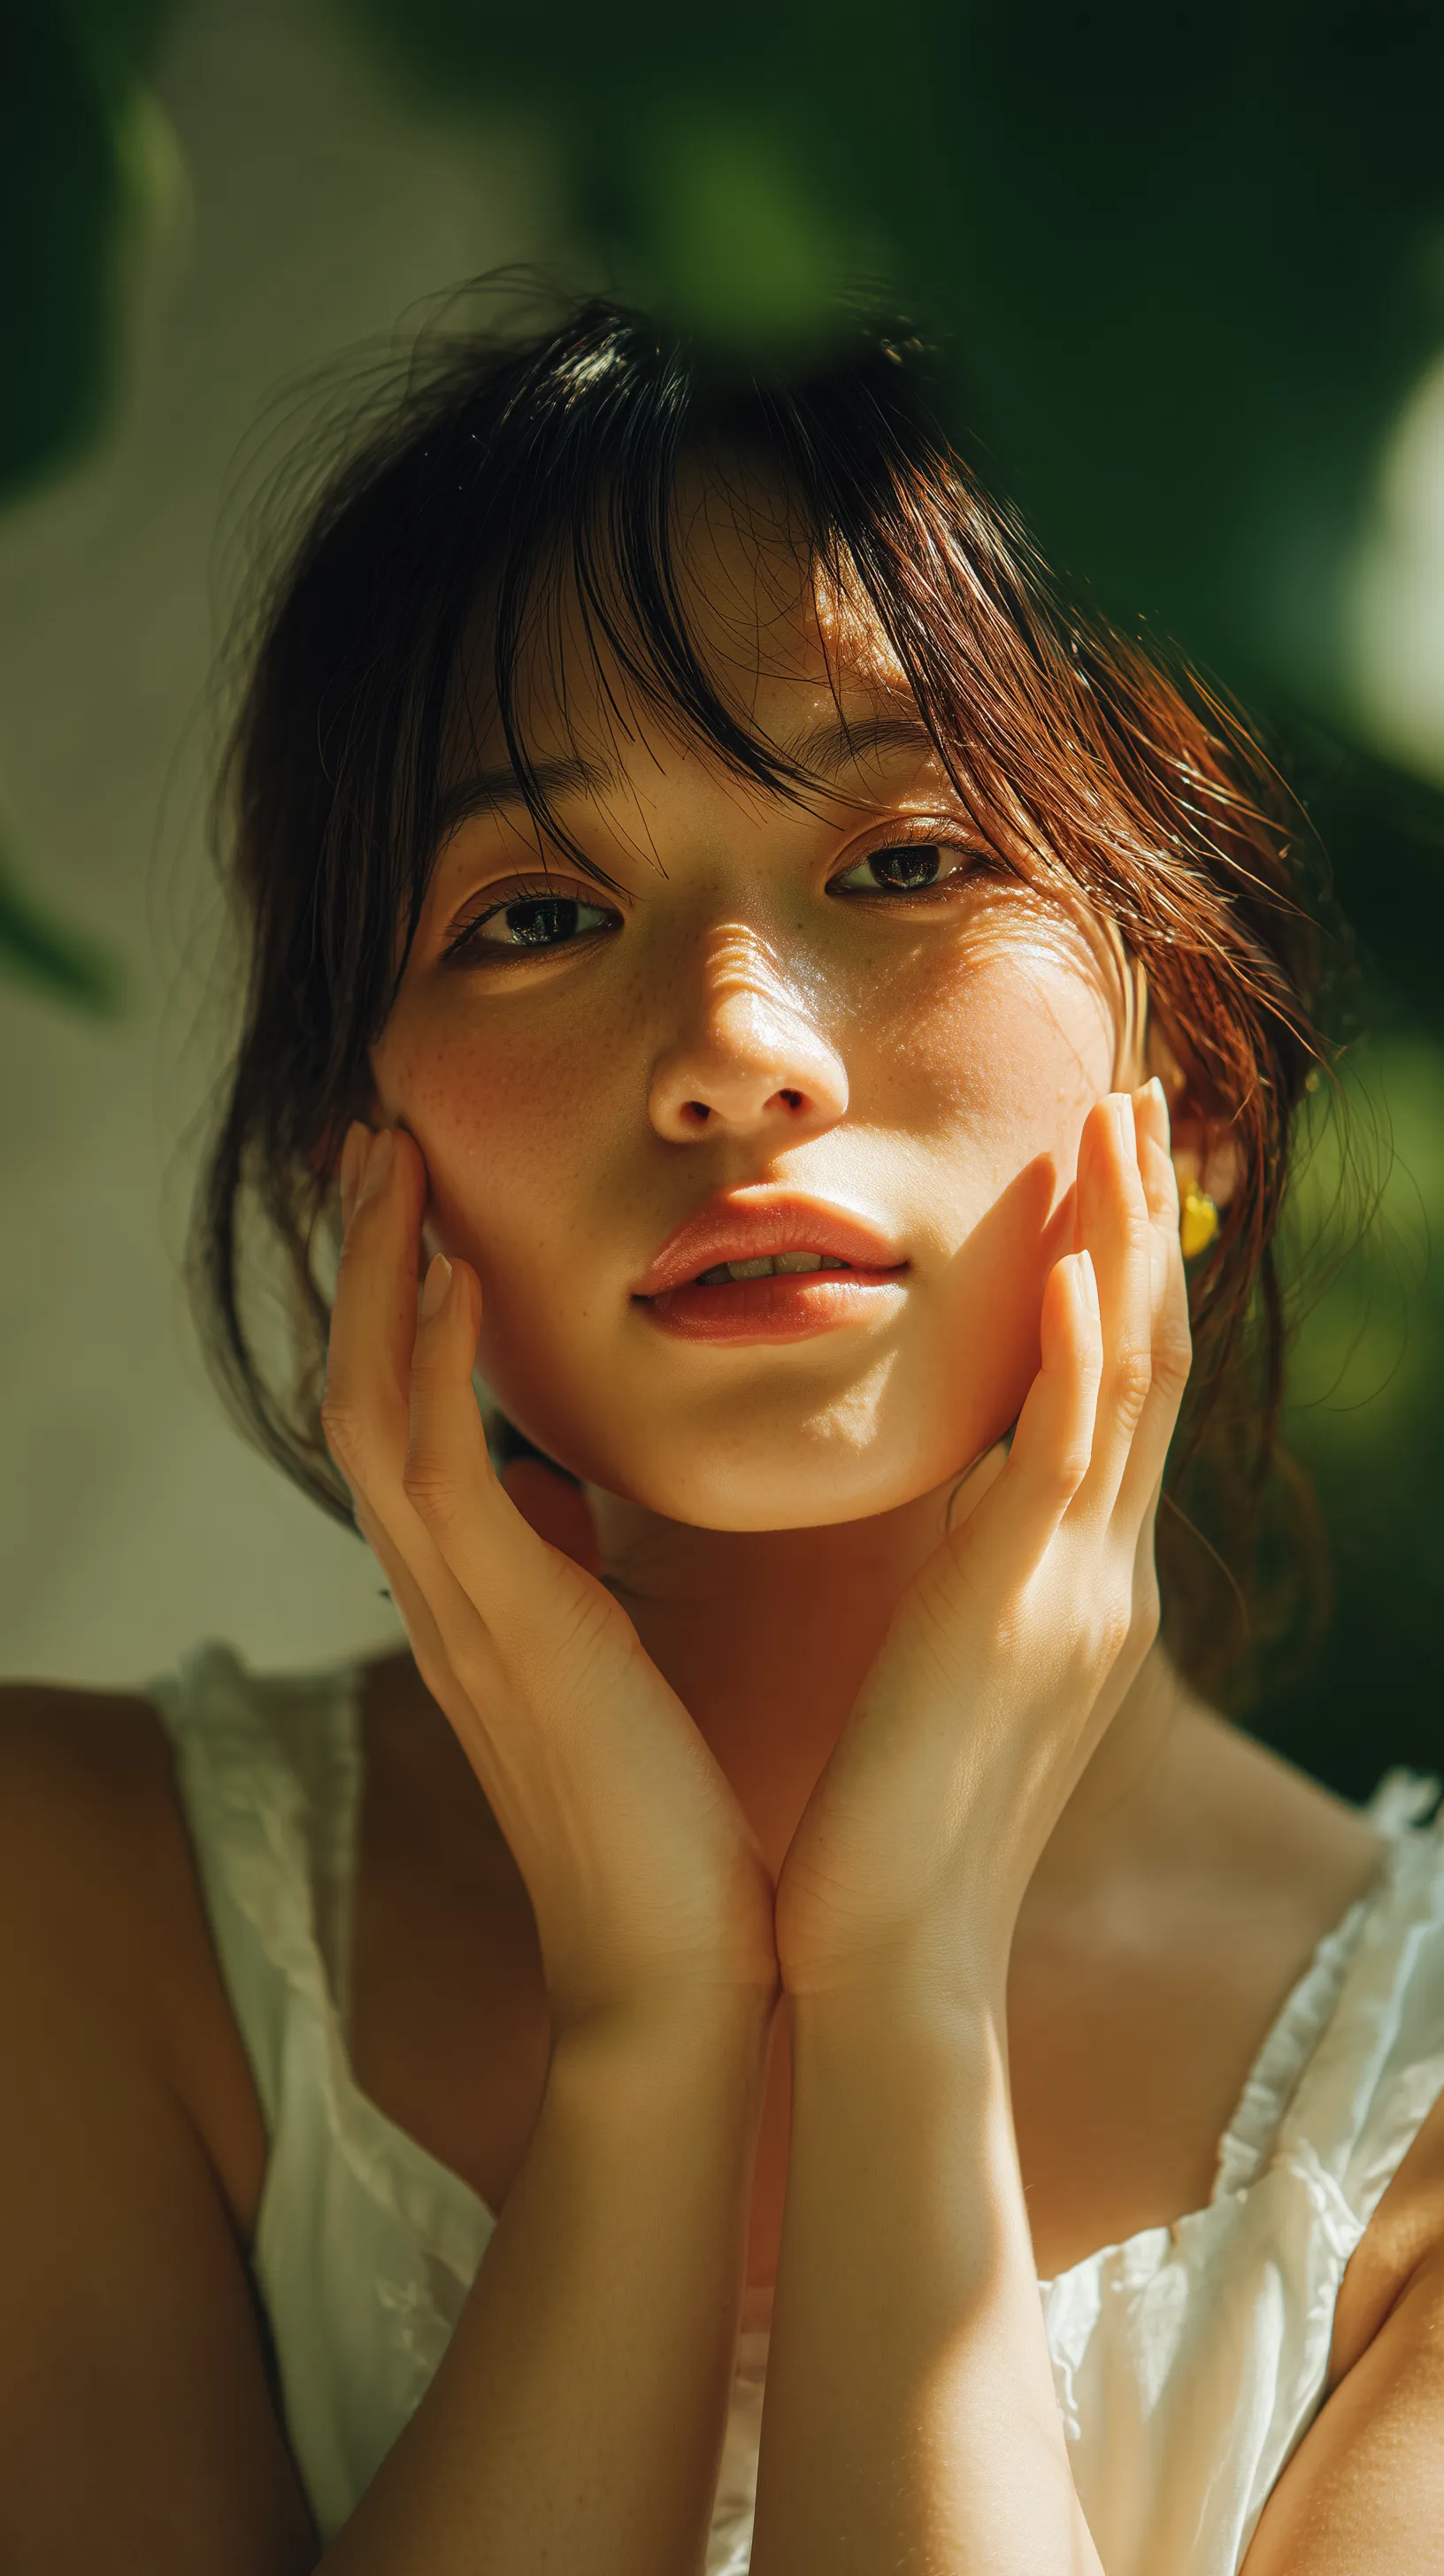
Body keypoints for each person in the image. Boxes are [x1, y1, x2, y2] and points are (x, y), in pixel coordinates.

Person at [4, 289, 1443, 2576]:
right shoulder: (74, 1916)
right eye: (539, 912)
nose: (733, 1049)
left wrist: (902, 1992)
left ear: (1207, 1090)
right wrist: (653, 2026)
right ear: (352, 1156)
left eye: (906, 864)